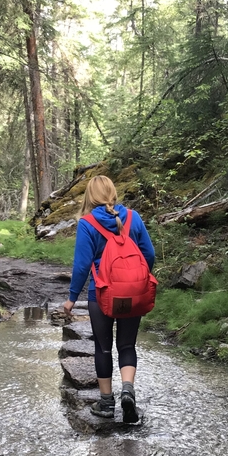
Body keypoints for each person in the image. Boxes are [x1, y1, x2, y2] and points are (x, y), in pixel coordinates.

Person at [63, 175, 155, 424]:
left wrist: (72, 298)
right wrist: (135, 281)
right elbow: (149, 254)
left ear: (89, 196)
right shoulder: (133, 217)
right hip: (132, 295)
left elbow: (82, 265)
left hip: (101, 294)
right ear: (113, 192)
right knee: (127, 346)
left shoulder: (87, 223)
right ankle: (128, 390)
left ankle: (106, 403)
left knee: (103, 347)